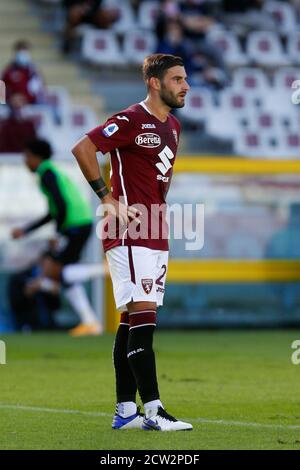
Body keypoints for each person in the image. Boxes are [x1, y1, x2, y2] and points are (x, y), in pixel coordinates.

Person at [72, 54, 193, 431]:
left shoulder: (173, 126)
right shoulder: (129, 119)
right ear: (155, 83)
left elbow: (159, 182)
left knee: (131, 319)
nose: (185, 85)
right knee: (143, 316)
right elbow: (83, 149)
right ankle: (154, 412)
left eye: (185, 78)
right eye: (177, 79)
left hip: (155, 228)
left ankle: (126, 411)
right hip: (130, 230)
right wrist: (107, 198)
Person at [11, 139, 103, 337]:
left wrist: (58, 234)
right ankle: (90, 322)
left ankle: (104, 271)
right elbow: (54, 212)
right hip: (78, 223)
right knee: (61, 273)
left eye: (27, 157)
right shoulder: (51, 171)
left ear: (37, 157)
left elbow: (60, 206)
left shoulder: (47, 173)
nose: (25, 162)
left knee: (57, 270)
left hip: (75, 225)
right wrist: (26, 230)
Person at [1, 40, 45, 106]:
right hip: (11, 104)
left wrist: (25, 99)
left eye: (25, 52)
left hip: (31, 104)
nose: (22, 55)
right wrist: (11, 99)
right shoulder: (8, 71)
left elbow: (39, 90)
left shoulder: (34, 71)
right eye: (20, 52)